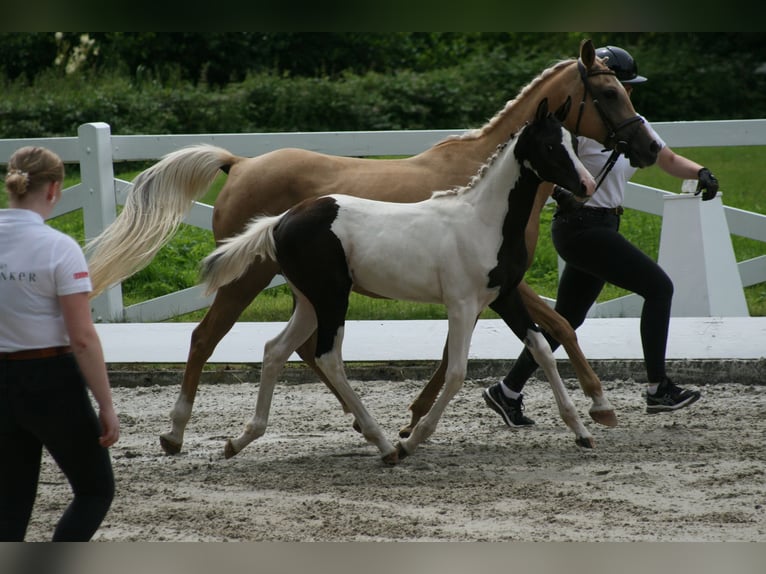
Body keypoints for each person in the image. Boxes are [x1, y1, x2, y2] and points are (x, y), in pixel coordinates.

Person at [482, 45, 720, 427]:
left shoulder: (629, 124)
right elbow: (548, 167)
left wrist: (700, 172)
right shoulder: (582, 125)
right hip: (581, 228)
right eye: (624, 87)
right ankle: (658, 387)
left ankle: (507, 391)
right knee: (659, 288)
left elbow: (668, 159)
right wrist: (563, 194)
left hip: (604, 225)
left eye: (627, 87)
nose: (628, 94)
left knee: (567, 318)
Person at [0, 146, 120, 541]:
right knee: (95, 490)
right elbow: (82, 337)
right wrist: (105, 404)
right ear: (54, 190)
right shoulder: (58, 248)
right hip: (50, 380)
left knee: (10, 505)